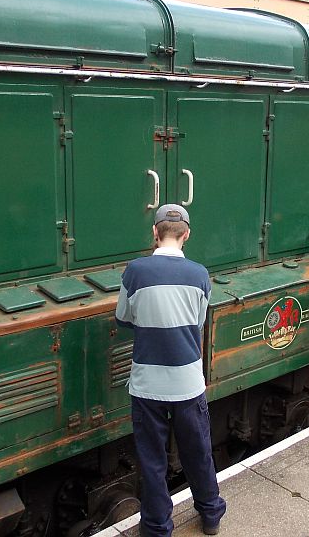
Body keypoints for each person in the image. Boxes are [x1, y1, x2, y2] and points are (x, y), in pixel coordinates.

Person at [115, 204, 226, 536]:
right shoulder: (200, 274)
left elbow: (122, 318)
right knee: (198, 453)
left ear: (154, 232)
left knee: (152, 462)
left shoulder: (135, 271)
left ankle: (157, 527)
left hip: (147, 385)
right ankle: (210, 515)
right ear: (186, 234)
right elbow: (199, 322)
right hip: (188, 383)